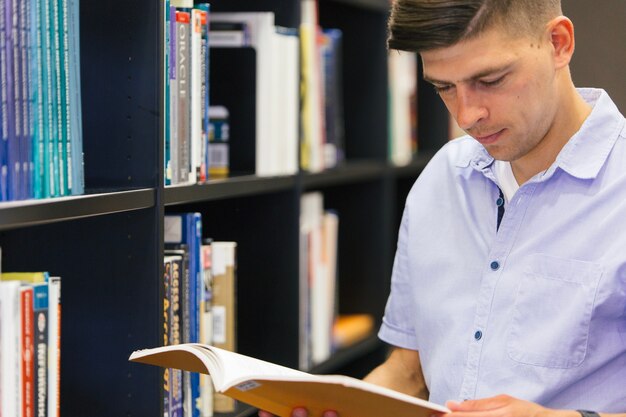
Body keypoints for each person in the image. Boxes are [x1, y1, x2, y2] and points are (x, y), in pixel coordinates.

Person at [263, 1, 626, 416]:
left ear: (558, 44)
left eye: (489, 80)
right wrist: (335, 406)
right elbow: (409, 372)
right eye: (444, 87)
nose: (468, 115)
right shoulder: (442, 179)